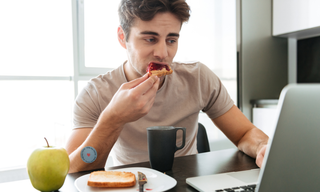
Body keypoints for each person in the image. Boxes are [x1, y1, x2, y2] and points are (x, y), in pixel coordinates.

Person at [65, 0, 269, 173]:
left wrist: (263, 146)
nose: (162, 53)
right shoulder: (95, 94)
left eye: (171, 40)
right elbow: (73, 170)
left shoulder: (198, 79)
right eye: (150, 39)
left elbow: (244, 133)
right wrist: (113, 118)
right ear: (122, 37)